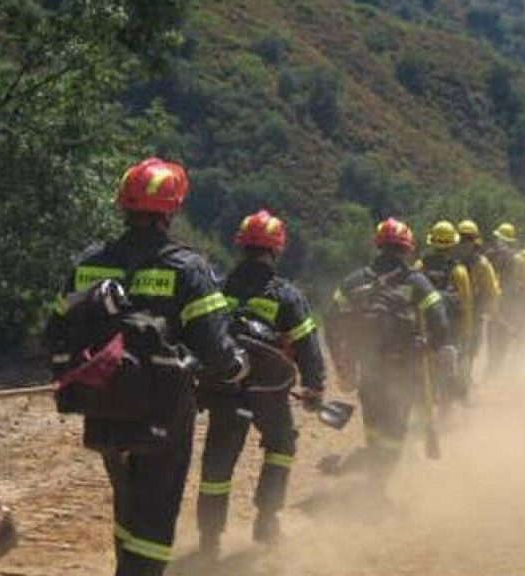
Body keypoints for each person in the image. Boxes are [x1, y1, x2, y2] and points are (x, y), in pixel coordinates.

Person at [43, 157, 248, 576]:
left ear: (123, 205)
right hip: (164, 412)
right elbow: (216, 350)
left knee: (128, 499)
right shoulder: (188, 269)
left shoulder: (89, 263)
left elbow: (53, 333)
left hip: (103, 406)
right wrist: (238, 368)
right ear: (171, 211)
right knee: (154, 514)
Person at [196, 210, 326, 555]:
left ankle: (209, 539)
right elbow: (307, 343)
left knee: (218, 461)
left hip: (226, 387)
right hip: (268, 391)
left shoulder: (218, 287)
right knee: (281, 444)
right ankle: (266, 522)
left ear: (242, 246)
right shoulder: (285, 295)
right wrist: (315, 386)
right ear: (277, 249)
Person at [324, 218, 451, 484]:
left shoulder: (354, 281)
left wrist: (342, 365)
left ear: (378, 245)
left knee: (373, 423)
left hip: (369, 367)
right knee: (395, 428)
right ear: (407, 249)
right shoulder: (417, 282)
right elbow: (440, 321)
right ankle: (379, 481)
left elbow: (331, 320)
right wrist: (430, 346)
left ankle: (374, 469)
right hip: (403, 368)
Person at [419, 221, 473, 404]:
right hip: (451, 330)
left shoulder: (420, 266)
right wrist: (466, 331)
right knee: (452, 368)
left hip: (426, 328)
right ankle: (452, 402)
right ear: (452, 244)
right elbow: (466, 304)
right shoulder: (459, 270)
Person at [457, 220, 501, 388]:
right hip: (456, 309)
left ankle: (465, 377)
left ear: (474, 241)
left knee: (472, 346)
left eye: (467, 239)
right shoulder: (452, 260)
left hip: (474, 311)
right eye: (462, 238)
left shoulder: (482, 264)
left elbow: (492, 290)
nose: (464, 242)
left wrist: (492, 312)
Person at [483, 222, 522, 378]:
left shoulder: (494, 256)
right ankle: (494, 367)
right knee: (499, 334)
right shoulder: (513, 258)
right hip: (503, 299)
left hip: (499, 299)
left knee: (496, 333)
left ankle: (494, 368)